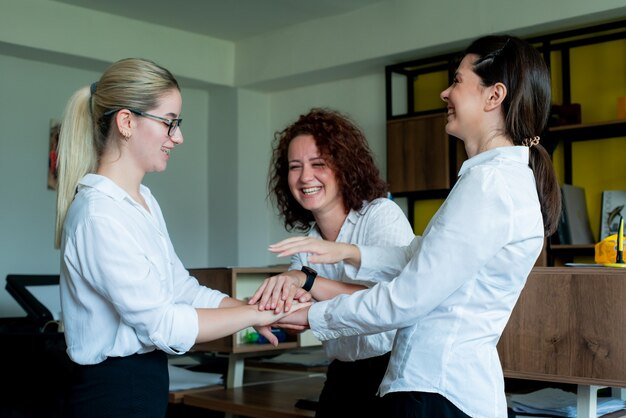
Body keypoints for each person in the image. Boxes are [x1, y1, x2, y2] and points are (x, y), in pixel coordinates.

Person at [271, 35, 561, 418]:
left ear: (494, 97)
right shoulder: (493, 181)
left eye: (457, 81)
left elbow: (407, 298)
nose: (445, 93)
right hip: (438, 389)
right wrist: (347, 252)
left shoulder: (489, 186)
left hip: (438, 391)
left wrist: (313, 316)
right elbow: (423, 255)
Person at [53, 58, 305, 418]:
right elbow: (163, 324)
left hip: (144, 383)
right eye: (170, 123)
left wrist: (253, 311)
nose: (178, 137)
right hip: (112, 394)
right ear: (126, 122)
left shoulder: (142, 202)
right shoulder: (99, 216)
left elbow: (181, 290)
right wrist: (250, 315)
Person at [248, 108, 415, 418]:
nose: (305, 177)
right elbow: (301, 312)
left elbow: (391, 303)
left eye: (318, 164)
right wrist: (277, 304)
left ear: (344, 167)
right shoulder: (307, 242)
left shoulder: (380, 214)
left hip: (395, 371)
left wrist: (308, 282)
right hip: (343, 374)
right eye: (294, 167)